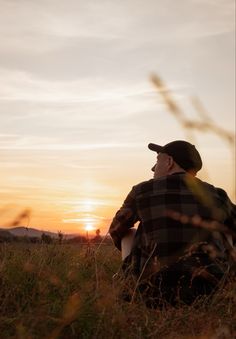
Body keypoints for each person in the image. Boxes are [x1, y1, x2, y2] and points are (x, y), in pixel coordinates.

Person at [109, 140, 236, 307]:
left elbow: (116, 229)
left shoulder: (142, 191)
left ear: (169, 162)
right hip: (210, 292)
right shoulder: (218, 195)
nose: (153, 169)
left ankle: (127, 281)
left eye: (156, 161)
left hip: (151, 292)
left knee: (127, 232)